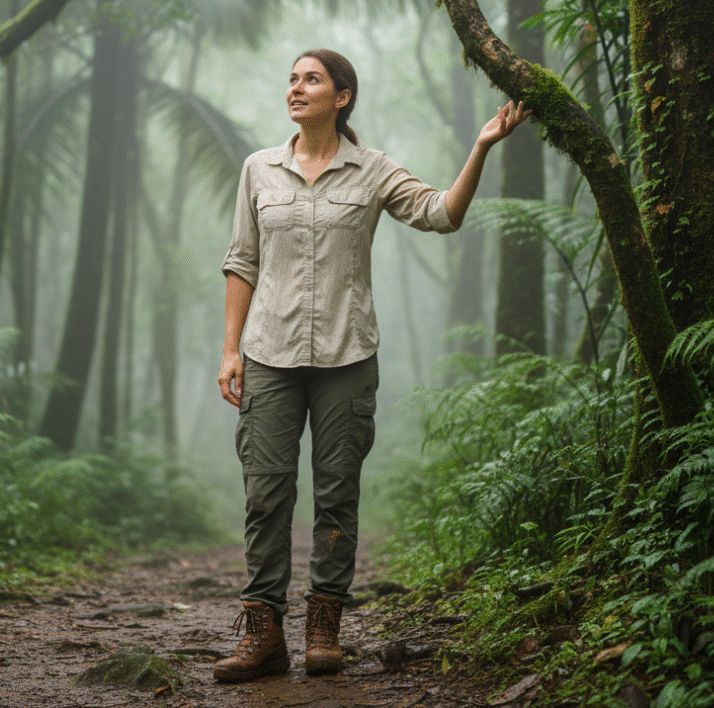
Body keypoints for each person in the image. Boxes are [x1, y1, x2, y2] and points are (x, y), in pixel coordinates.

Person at [214, 48, 531, 683]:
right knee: (266, 494)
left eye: (312, 80)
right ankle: (263, 632)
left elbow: (443, 214)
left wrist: (482, 146)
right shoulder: (259, 169)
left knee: (337, 494)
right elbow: (241, 261)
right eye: (293, 80)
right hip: (269, 355)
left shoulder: (372, 170)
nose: (296, 90)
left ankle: (324, 629)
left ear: (342, 97)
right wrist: (229, 349)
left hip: (347, 356)